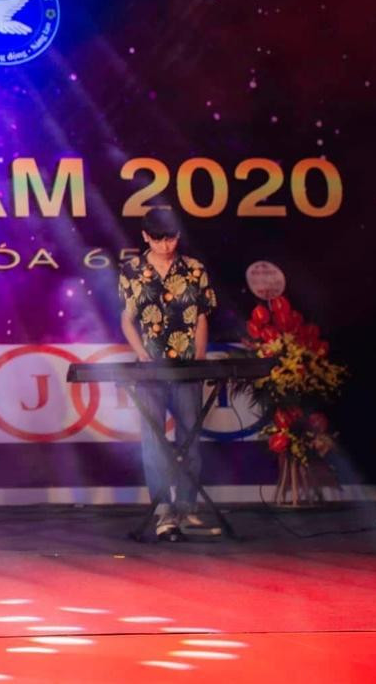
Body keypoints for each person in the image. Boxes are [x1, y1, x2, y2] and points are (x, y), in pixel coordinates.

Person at [118, 207, 218, 540]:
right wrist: (140, 352)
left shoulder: (194, 269)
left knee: (190, 439)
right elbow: (127, 318)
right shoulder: (132, 270)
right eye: (159, 239)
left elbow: (201, 316)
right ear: (145, 237)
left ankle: (186, 509)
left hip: (187, 365)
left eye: (172, 238)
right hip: (151, 368)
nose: (166, 245)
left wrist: (199, 359)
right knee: (154, 440)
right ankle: (163, 512)